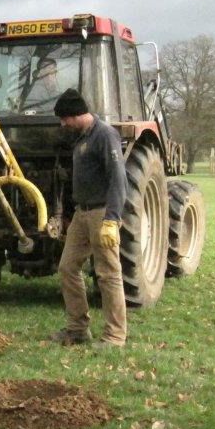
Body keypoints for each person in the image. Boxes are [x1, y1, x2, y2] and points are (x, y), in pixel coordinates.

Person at [50, 88, 128, 347]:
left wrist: (112, 219)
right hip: (82, 214)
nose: (63, 124)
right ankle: (78, 329)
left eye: (65, 119)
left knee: (108, 273)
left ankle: (115, 336)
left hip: (102, 212)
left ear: (76, 114)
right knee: (67, 267)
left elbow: (118, 178)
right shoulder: (81, 138)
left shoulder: (105, 135)